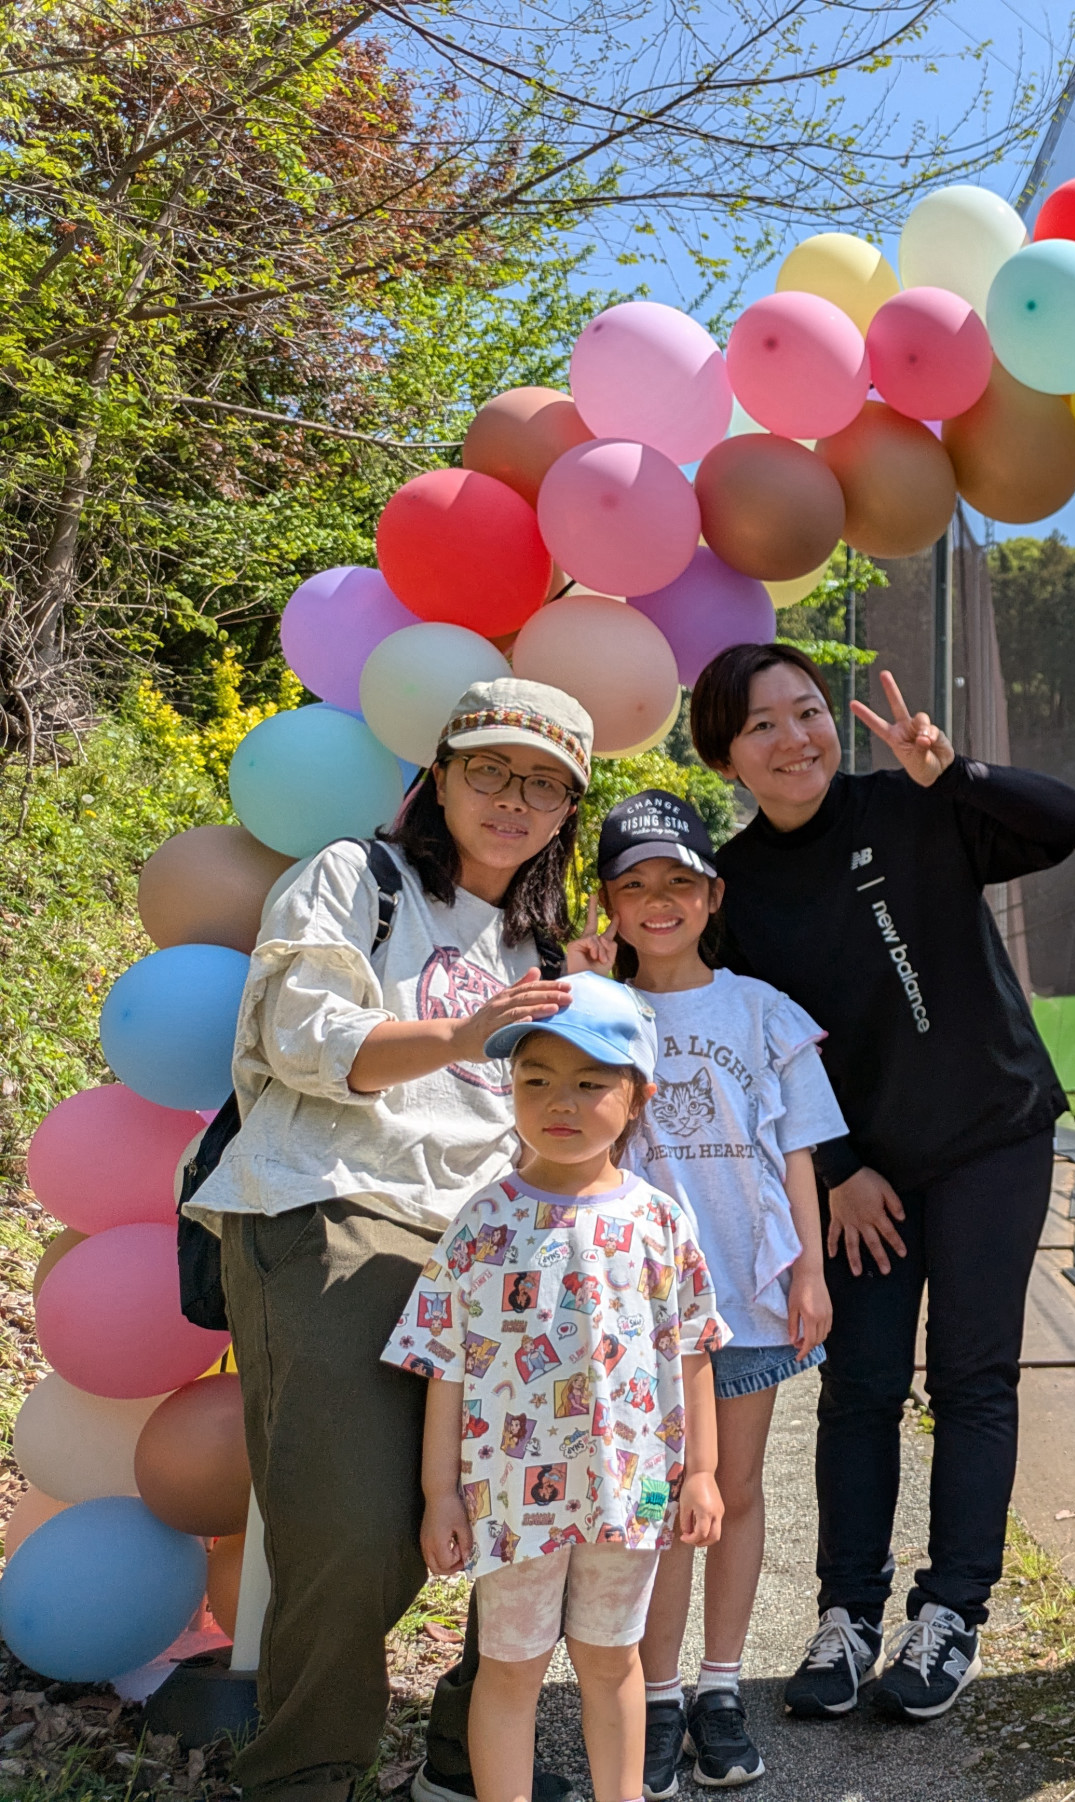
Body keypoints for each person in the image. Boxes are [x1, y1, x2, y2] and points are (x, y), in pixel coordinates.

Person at [190, 679, 603, 1802]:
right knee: (355, 1527)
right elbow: (301, 1035)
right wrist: (464, 1033)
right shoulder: (353, 879)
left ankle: (474, 1760)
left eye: (544, 783)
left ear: (567, 808)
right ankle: (304, 1776)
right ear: (438, 778)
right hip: (334, 1206)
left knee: (527, 1509)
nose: (514, 799)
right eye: (491, 771)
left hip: (489, 1243)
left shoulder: (546, 943)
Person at [687, 646, 1075, 1723]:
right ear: (724, 753)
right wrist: (838, 1173)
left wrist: (953, 771)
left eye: (809, 712)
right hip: (862, 1175)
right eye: (761, 725)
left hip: (991, 1138)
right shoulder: (735, 889)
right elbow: (761, 1056)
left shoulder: (913, 802)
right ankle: (848, 1614)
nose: (795, 739)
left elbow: (1066, 823)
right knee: (862, 1386)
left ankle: (951, 1608)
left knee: (972, 1377)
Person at [388, 973, 728, 1802]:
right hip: (510, 1497)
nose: (560, 1102)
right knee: (511, 1669)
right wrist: (440, 1495)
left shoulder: (660, 1221)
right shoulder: (482, 1221)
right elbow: (446, 1365)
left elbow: (692, 1350)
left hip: (630, 1490)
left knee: (614, 1663)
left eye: (590, 1082)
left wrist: (704, 1473)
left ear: (639, 1096)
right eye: (536, 1080)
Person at [568, 790, 843, 1794]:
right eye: (633, 885)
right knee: (657, 1499)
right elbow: (557, 1135)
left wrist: (809, 1266)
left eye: (677, 882)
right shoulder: (600, 1009)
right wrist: (581, 994)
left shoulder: (763, 1008)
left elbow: (799, 1149)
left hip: (749, 1292)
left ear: (713, 893)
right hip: (637, 1309)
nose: (657, 901)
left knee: (730, 1491)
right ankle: (658, 1690)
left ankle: (721, 1686)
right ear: (606, 899)